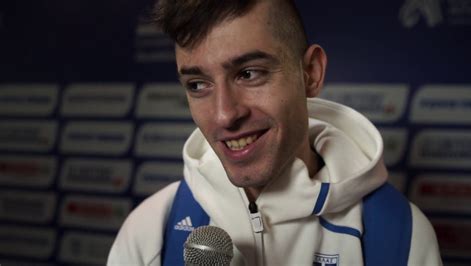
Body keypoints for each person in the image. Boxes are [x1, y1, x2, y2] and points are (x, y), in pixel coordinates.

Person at [108, 0, 442, 265]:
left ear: (310, 73)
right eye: (198, 84)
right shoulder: (151, 231)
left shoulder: (400, 235)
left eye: (249, 73)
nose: (224, 114)